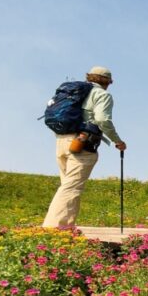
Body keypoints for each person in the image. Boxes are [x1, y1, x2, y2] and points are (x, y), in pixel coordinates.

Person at [42, 66, 126, 229]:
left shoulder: (74, 91)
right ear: (108, 81)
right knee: (71, 187)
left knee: (67, 185)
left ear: (89, 77)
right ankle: (54, 229)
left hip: (62, 140)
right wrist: (117, 141)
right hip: (82, 143)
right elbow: (102, 120)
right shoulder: (102, 94)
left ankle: (66, 226)